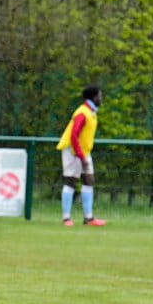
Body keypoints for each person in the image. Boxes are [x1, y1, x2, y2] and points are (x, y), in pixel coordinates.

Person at [56, 85, 106, 226]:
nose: (101, 99)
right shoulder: (82, 113)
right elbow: (74, 136)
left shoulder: (91, 112)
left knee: (89, 179)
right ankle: (66, 218)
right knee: (71, 181)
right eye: (100, 96)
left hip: (84, 150)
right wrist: (80, 156)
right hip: (72, 150)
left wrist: (83, 154)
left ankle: (88, 218)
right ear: (94, 97)